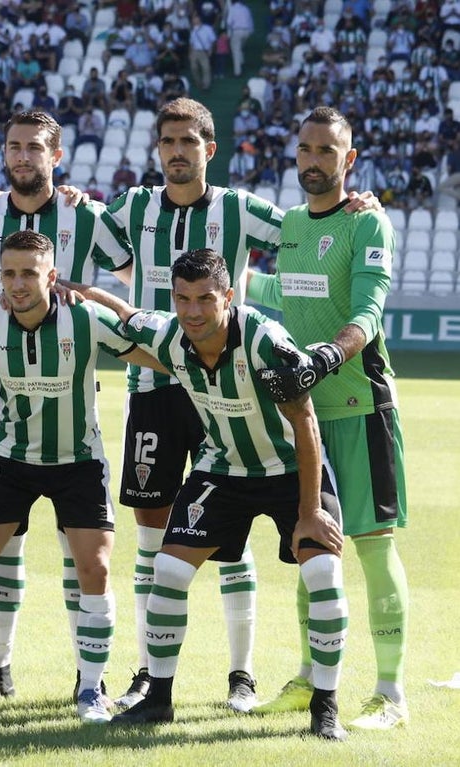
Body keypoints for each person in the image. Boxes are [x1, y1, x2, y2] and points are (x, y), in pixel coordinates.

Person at [85, 248, 349, 740]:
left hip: (290, 469)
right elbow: (124, 313)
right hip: (221, 470)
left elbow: (306, 423)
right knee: (167, 570)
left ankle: (326, 706)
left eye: (206, 299)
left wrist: (310, 511)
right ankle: (158, 700)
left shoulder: (267, 343)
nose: (193, 311)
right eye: (182, 299)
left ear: (227, 296)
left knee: (322, 574)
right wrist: (77, 293)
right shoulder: (171, 334)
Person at [0, 230, 158, 722]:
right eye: (9, 273)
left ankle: (90, 689)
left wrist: (203, 362)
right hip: (8, 459)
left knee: (96, 570)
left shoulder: (85, 318)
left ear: (52, 275)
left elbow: (151, 352)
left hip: (78, 461)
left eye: (28, 273)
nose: (17, 284)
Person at [0, 109, 134, 702]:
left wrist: (93, 298)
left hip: (72, 404)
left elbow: (135, 273)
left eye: (34, 149)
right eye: (13, 148)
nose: (22, 157)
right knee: (0, 546)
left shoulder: (85, 214)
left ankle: (90, 683)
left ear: (55, 157)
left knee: (83, 555)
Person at [248, 106, 410, 731]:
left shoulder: (367, 221)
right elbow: (284, 292)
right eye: (306, 150)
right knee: (310, 545)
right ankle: (313, 677)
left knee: (370, 548)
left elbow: (369, 307)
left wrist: (327, 355)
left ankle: (390, 694)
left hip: (361, 408)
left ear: (349, 159)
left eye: (327, 151)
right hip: (304, 414)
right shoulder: (290, 225)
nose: (314, 160)